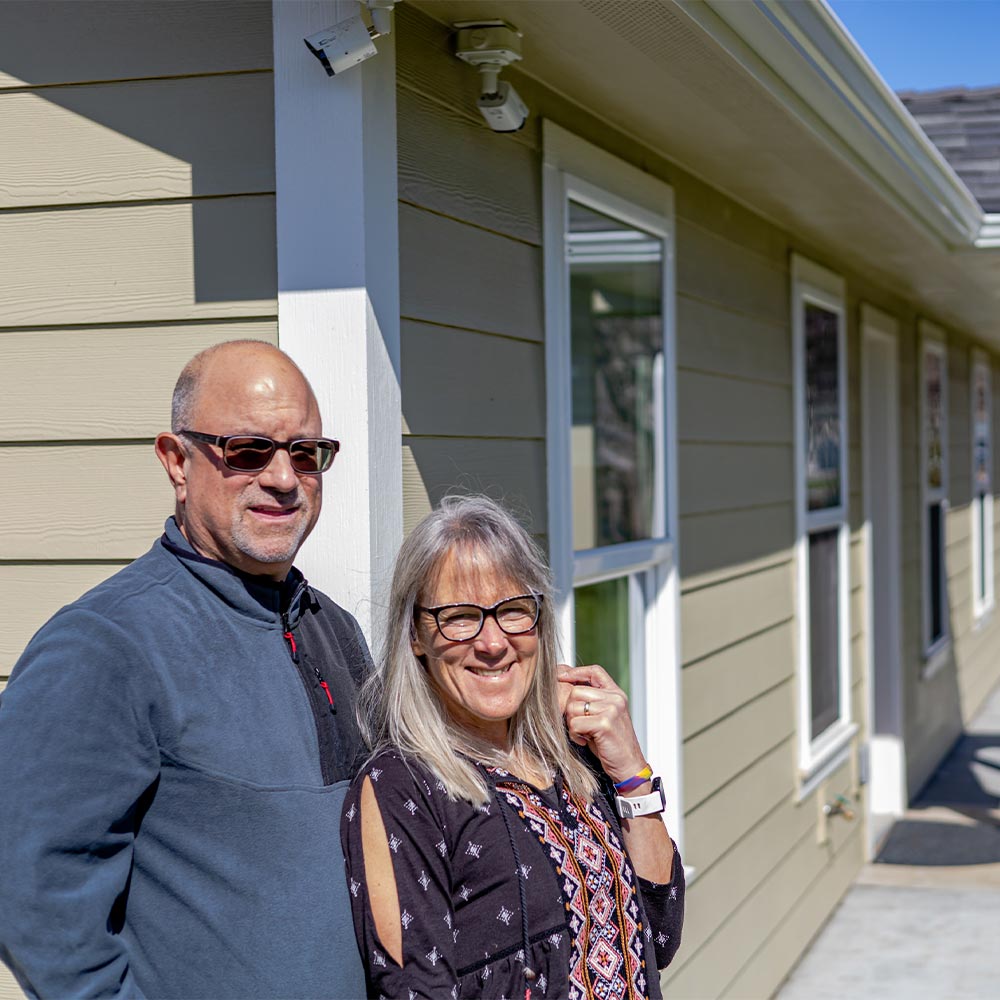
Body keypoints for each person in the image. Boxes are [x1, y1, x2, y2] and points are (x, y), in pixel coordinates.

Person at [0, 341, 370, 998]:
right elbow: (35, 902)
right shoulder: (105, 644)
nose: (284, 478)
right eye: (248, 450)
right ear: (176, 461)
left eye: (306, 454)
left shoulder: (333, 627)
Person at [341, 495, 684, 999]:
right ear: (416, 633)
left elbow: (660, 936)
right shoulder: (403, 789)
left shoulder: (572, 756)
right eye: (460, 616)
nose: (493, 642)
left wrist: (631, 771)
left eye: (513, 611)